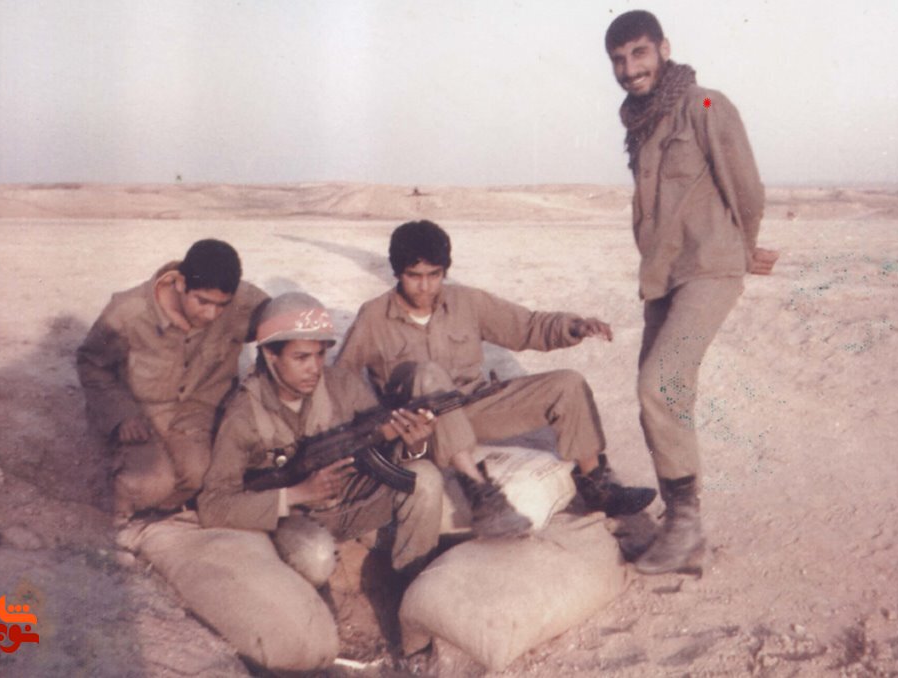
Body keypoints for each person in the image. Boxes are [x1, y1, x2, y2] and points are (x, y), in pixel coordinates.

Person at [336, 220, 656, 537]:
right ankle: (482, 495)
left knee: (567, 383)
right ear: (397, 273)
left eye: (434, 275)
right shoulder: (374, 316)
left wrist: (573, 327)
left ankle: (597, 485)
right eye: (414, 276)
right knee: (428, 373)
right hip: (421, 430)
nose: (425, 286)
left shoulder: (466, 302)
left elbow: (525, 326)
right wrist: (381, 421)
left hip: (472, 408)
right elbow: (342, 379)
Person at [604, 10, 780, 574]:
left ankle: (684, 527)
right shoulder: (641, 123)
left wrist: (743, 249)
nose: (630, 69)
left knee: (661, 384)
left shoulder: (704, 103)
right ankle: (684, 529)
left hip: (709, 268)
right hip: (665, 276)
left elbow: (746, 186)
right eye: (618, 60)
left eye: (639, 53)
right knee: (656, 393)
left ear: (663, 49)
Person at [198, 292, 443, 585]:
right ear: (271, 355)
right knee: (316, 557)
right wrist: (297, 494)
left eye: (319, 355)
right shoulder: (243, 416)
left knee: (425, 478)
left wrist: (413, 445)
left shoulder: (343, 385)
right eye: (301, 357)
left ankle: (411, 587)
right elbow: (213, 505)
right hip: (297, 517)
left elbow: (383, 449)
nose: (314, 368)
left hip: (356, 503)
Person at [77, 239, 268, 523]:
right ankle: (122, 507)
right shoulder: (128, 312)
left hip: (197, 413)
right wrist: (122, 415)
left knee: (205, 475)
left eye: (221, 305)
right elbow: (91, 364)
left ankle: (164, 513)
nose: (211, 314)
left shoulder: (244, 303)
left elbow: (285, 318)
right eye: (202, 301)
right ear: (180, 283)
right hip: (140, 414)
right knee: (149, 484)